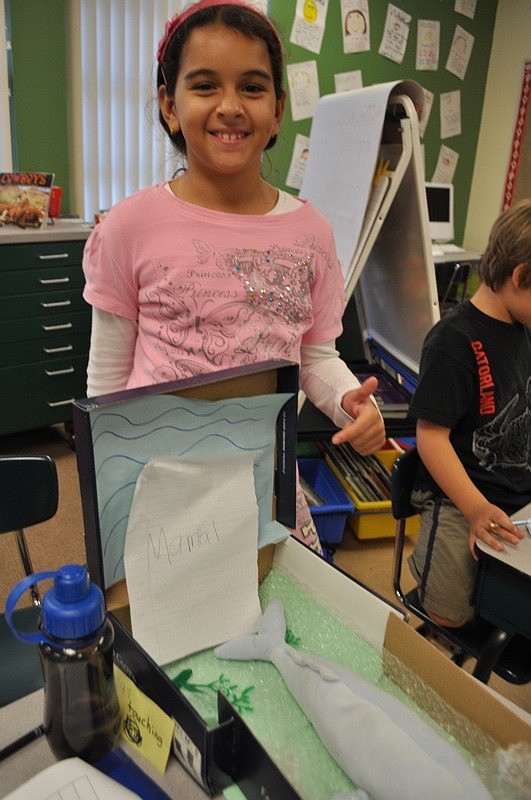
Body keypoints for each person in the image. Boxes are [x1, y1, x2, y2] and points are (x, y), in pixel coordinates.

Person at [82, 0, 385, 553]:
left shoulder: (310, 231)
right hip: (161, 487)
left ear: (276, 109)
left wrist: (350, 402)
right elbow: (107, 380)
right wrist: (111, 491)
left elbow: (314, 356)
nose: (230, 107)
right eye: (204, 86)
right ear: (169, 106)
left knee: (276, 615)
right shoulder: (129, 227)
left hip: (268, 480)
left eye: (251, 87)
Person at [407, 199, 531, 627]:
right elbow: (431, 438)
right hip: (463, 503)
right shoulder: (454, 341)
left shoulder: (523, 329)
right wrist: (477, 508)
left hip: (518, 501)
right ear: (520, 277)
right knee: (449, 617)